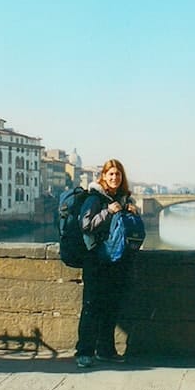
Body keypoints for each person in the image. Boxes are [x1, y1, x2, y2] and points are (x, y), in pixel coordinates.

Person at [75, 158, 139, 368]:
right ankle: (84, 352)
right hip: (95, 260)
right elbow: (86, 225)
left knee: (111, 307)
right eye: (110, 174)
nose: (114, 177)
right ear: (103, 176)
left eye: (118, 174)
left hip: (117, 261)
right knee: (92, 307)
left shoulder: (123, 199)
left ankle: (106, 350)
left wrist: (131, 213)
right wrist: (108, 212)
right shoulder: (94, 199)